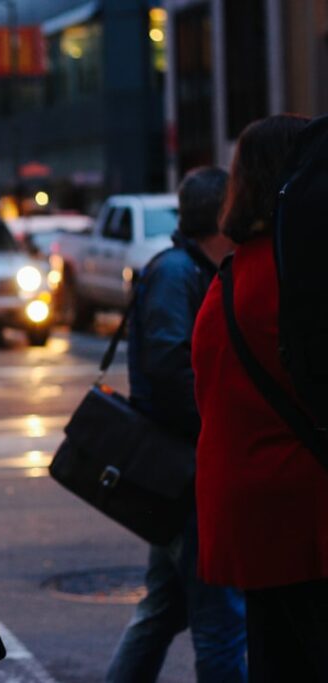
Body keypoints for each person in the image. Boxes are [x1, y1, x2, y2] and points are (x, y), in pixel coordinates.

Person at [193, 114, 328, 682]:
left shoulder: (227, 278)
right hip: (306, 508)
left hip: (247, 513)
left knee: (275, 657)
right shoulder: (295, 278)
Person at [106, 167, 246, 683]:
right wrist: (224, 421)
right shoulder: (176, 273)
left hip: (182, 470)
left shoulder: (193, 269)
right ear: (222, 217)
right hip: (183, 471)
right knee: (220, 619)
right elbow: (170, 374)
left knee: (165, 609)